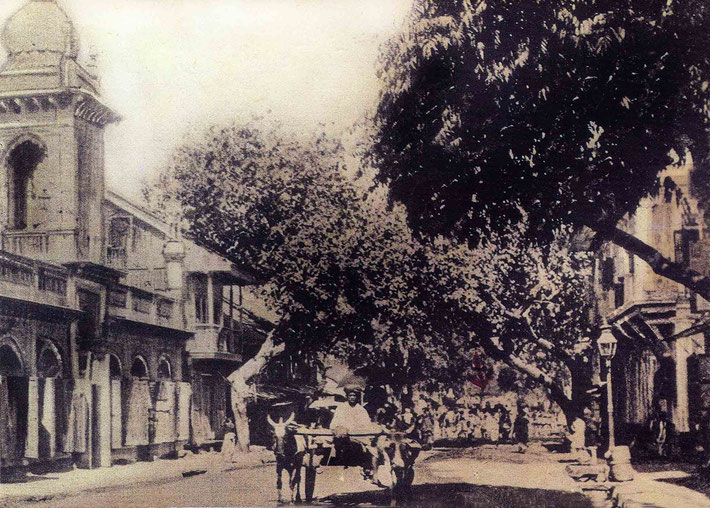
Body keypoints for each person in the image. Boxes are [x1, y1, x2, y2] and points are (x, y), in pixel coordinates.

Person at [330, 385, 381, 480]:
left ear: (357, 397)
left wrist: (364, 432)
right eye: (350, 395)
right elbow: (335, 423)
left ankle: (372, 471)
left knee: (372, 449)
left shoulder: (361, 410)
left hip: (359, 435)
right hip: (345, 434)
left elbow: (366, 425)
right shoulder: (341, 408)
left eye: (354, 396)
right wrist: (341, 428)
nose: (352, 397)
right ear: (347, 396)